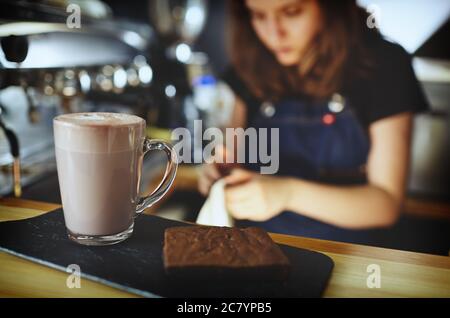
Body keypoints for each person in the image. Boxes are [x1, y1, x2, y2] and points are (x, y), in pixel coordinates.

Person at [197, 0, 428, 244]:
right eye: (259, 16)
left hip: (352, 256)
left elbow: (386, 204)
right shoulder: (248, 67)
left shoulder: (383, 65)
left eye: (291, 12)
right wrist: (219, 173)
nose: (275, 34)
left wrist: (287, 193)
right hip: (258, 248)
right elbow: (232, 157)